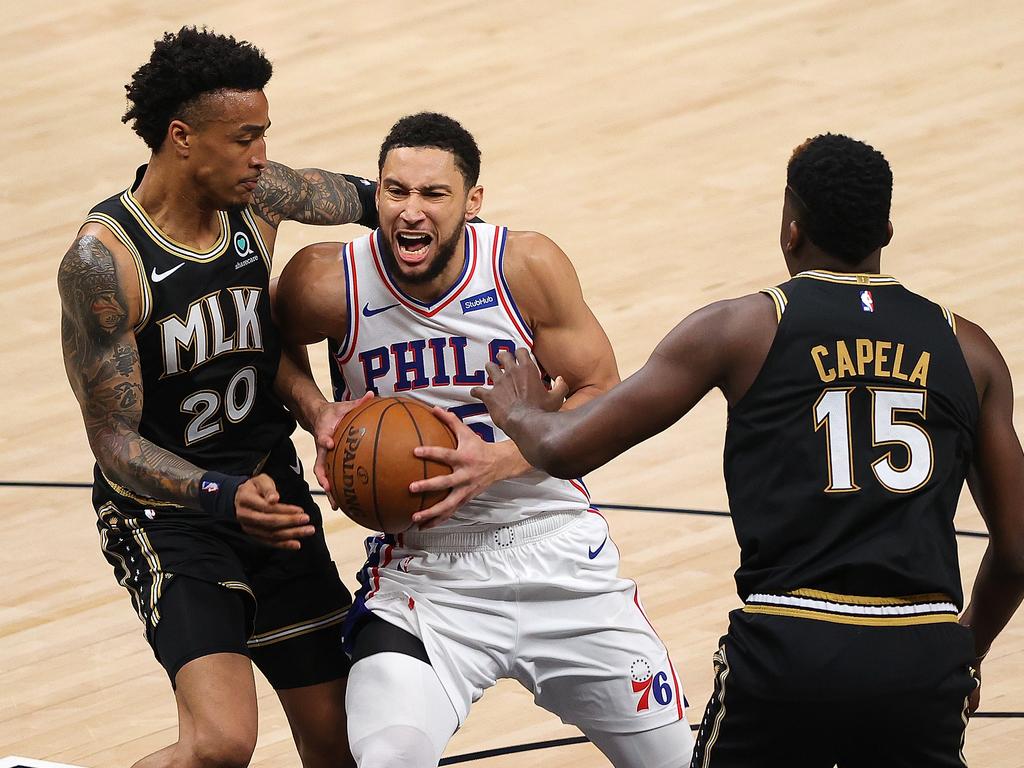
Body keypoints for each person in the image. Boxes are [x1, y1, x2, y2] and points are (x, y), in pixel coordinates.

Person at [473, 133, 1024, 767]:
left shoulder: (743, 328)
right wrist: (968, 651)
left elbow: (566, 451)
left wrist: (518, 411)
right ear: (887, 229)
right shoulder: (970, 348)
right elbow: (1014, 547)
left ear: (791, 230)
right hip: (921, 653)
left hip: (791, 645)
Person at [274, 111, 695, 768]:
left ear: (472, 201)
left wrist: (504, 460)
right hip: (425, 578)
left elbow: (603, 390)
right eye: (395, 191)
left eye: (433, 194)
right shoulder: (328, 280)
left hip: (552, 551)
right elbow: (271, 345)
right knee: (387, 760)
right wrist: (319, 412)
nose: (411, 212)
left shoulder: (522, 265)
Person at [57, 27, 379, 768]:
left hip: (270, 489)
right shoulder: (104, 263)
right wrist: (215, 494)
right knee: (220, 745)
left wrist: (480, 242)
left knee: (344, 746)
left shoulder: (258, 197)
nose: (262, 155)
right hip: (172, 515)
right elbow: (113, 444)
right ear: (182, 138)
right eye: (245, 138)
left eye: (264, 135)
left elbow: (371, 201)